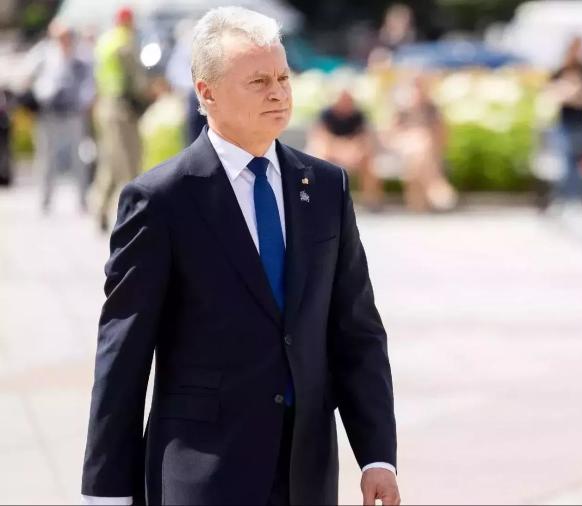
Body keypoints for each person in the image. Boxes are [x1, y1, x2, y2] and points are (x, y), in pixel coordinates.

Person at [80, 7, 399, 506]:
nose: (278, 93)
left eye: (283, 78)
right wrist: (107, 491)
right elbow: (123, 351)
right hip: (203, 473)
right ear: (206, 93)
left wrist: (377, 455)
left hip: (306, 475)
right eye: (258, 81)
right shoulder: (161, 199)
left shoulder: (325, 187)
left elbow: (356, 330)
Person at [91, 6, 148, 231]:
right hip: (122, 109)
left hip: (105, 106)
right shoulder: (124, 43)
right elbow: (136, 80)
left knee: (111, 160)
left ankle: (100, 208)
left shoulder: (106, 40)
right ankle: (134, 215)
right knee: (129, 162)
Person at [30, 21, 94, 212]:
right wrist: (42, 92)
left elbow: (88, 84)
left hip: (72, 113)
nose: (63, 41)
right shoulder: (44, 54)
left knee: (79, 157)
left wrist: (83, 103)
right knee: (46, 158)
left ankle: (82, 199)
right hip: (49, 113)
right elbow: (30, 76)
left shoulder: (81, 57)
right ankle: (45, 199)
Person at [387, 75, 457, 212]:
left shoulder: (433, 110)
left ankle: (420, 205)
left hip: (425, 152)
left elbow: (442, 135)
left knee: (418, 155)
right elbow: (391, 134)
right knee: (419, 143)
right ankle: (436, 186)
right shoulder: (402, 110)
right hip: (404, 148)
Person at [307, 89, 383, 209]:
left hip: (353, 153)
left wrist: (353, 151)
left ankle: (371, 201)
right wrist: (341, 150)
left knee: (368, 162)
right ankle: (321, 202)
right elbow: (320, 139)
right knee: (320, 160)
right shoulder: (326, 115)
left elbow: (365, 139)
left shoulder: (358, 116)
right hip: (330, 152)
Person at [547, 36, 582, 217]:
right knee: (566, 163)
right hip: (563, 122)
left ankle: (571, 199)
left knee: (573, 163)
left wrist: (569, 92)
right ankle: (567, 199)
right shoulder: (560, 70)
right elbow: (552, 94)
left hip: (580, 122)